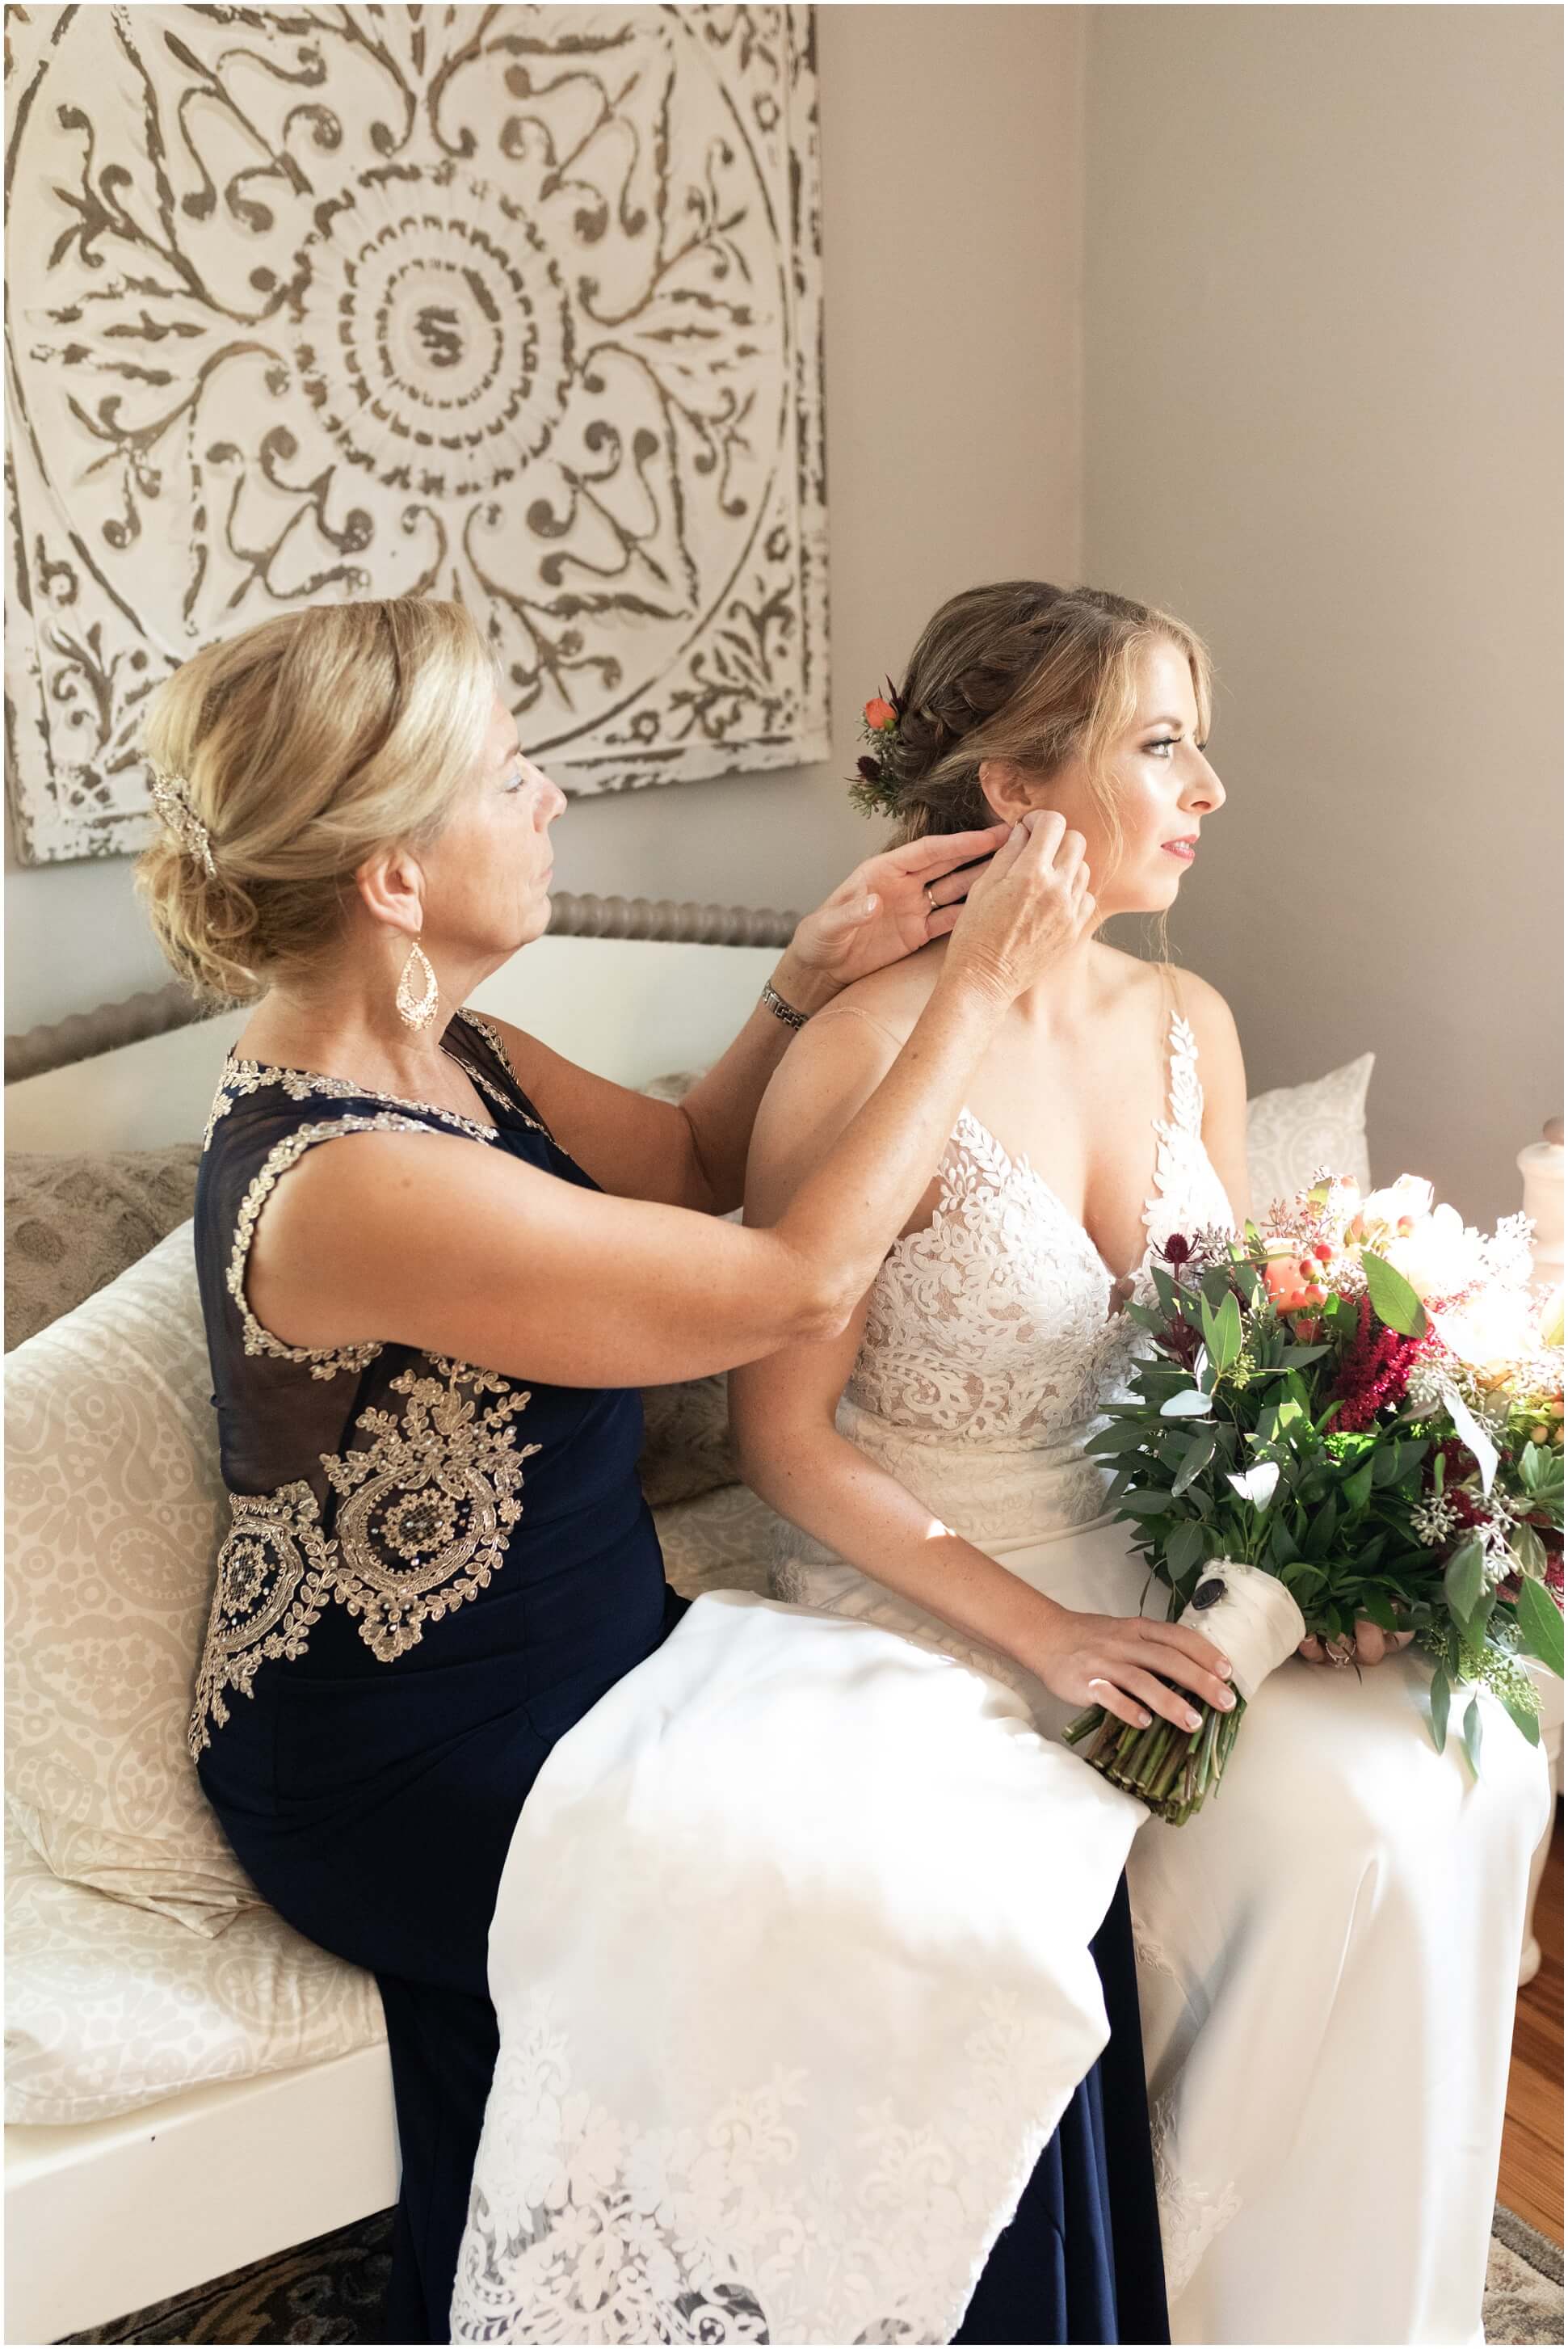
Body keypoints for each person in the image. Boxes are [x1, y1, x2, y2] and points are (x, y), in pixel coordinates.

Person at [137, 594, 1198, 2344]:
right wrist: (976, 995)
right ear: (394, 877)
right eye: (506, 774)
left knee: (1026, 1849)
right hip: (410, 1758)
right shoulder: (341, 1175)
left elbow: (700, 1164)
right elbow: (786, 1281)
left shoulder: (455, 1053)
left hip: (590, 1662)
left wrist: (800, 977)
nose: (548, 798)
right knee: (936, 1927)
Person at [731, 580, 1550, 2344]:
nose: (1211, 785)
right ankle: (1170, 2290)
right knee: (1329, 1831)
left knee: (1464, 1769)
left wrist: (1309, 1558)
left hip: (1159, 1556)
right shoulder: (859, 1052)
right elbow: (777, 1438)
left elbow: (1253, 1364)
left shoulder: (1188, 1018)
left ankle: (1361, 2302)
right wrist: (1041, 1632)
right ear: (1017, 793)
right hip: (936, 1561)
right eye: (1162, 743)